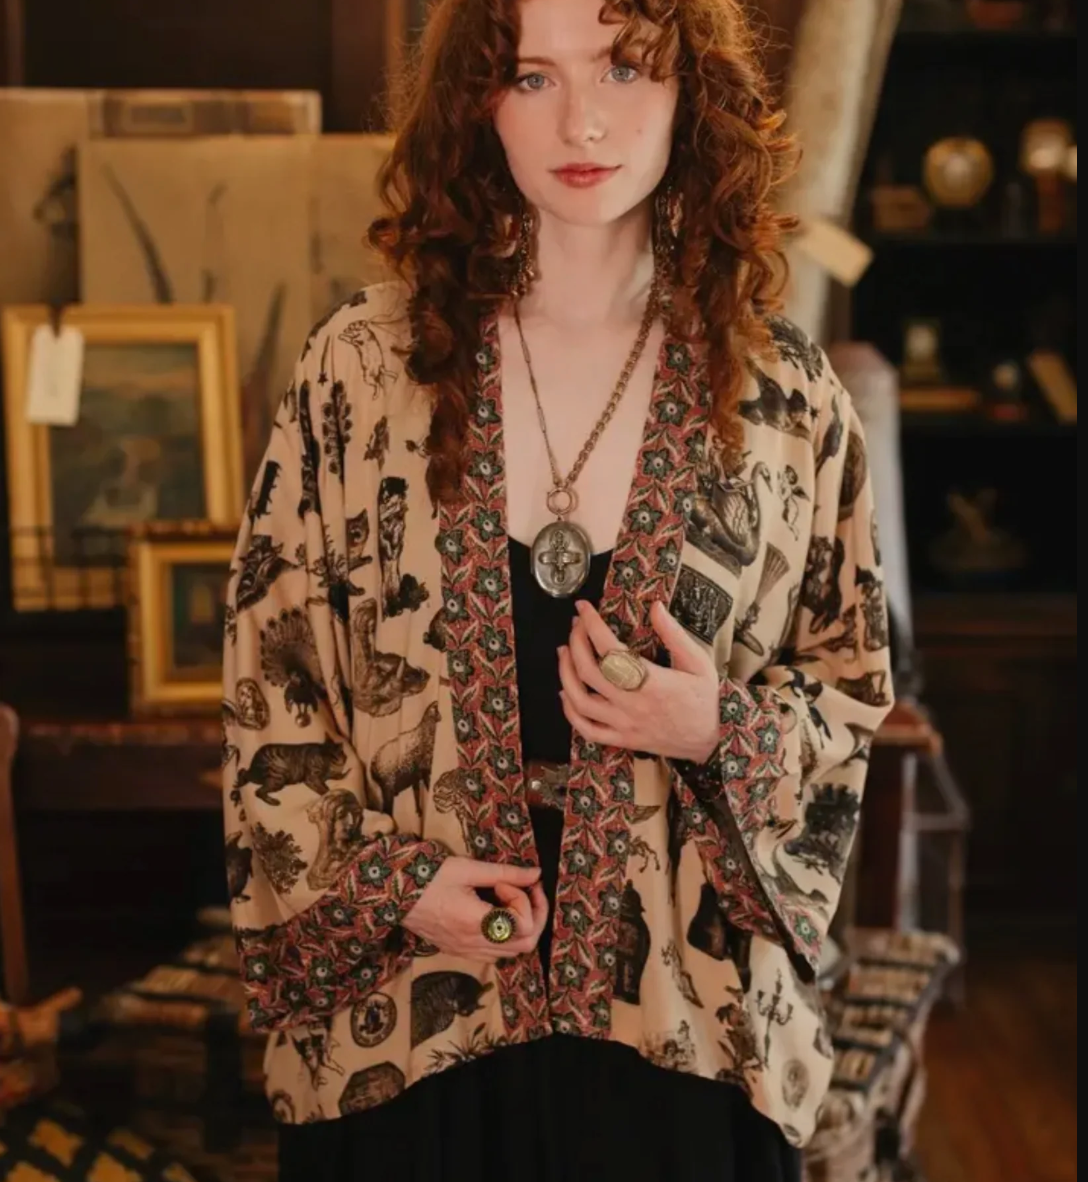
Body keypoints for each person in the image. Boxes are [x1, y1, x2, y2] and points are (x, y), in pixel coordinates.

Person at [221, 0, 895, 1176]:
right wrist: (394, 882)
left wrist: (713, 726)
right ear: (473, 102)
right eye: (529, 78)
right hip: (406, 1033)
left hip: (684, 1046)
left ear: (693, 89)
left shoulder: (784, 397)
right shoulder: (358, 373)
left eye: (624, 69)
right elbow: (267, 688)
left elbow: (847, 693)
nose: (581, 119)